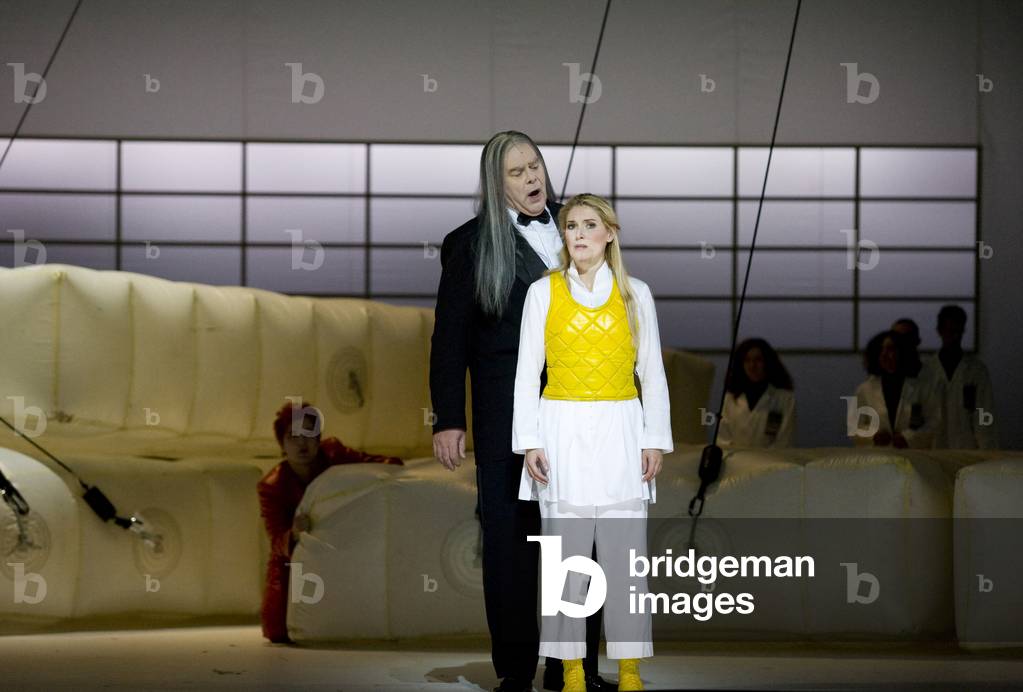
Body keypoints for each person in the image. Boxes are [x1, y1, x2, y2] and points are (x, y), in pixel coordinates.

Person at [430, 131, 613, 692]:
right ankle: (514, 670)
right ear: (496, 183)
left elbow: (616, 317)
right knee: (509, 546)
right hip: (503, 415)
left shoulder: (577, 224)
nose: (532, 178)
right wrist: (448, 418)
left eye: (535, 165)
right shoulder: (466, 244)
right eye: (517, 172)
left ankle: (572, 669)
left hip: (579, 410)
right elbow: (449, 339)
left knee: (578, 541)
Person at [515, 193, 672, 692]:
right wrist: (530, 441)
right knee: (567, 560)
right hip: (560, 427)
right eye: (571, 226)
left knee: (625, 558)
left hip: (622, 428)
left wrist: (654, 440)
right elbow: (526, 375)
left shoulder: (635, 294)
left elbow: (652, 371)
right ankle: (574, 672)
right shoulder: (543, 293)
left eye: (589, 225)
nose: (578, 234)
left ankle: (629, 670)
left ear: (610, 233)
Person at [257, 400, 403, 644]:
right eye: (293, 436)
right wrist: (293, 533)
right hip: (291, 562)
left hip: (341, 550)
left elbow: (382, 465)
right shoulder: (272, 486)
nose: (302, 443)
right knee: (277, 629)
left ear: (318, 438)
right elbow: (275, 541)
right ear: (282, 444)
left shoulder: (334, 453)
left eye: (308, 434)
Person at [918, 305, 998, 449]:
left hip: (967, 447)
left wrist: (987, 448)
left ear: (963, 331)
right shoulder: (926, 370)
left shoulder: (976, 371)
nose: (954, 336)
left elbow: (984, 413)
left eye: (958, 331)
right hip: (932, 448)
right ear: (940, 331)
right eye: (950, 331)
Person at [850, 331, 939, 448]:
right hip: (877, 457)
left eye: (890, 349)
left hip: (913, 456)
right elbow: (855, 426)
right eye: (880, 350)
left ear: (902, 352)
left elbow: (934, 422)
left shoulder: (921, 387)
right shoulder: (865, 389)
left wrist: (908, 438)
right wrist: (873, 436)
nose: (884, 354)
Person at [718, 337, 796, 448]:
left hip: (772, 462)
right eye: (747, 360)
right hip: (736, 462)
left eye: (758, 360)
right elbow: (723, 439)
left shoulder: (784, 399)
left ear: (768, 362)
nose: (752, 366)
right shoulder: (729, 399)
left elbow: (784, 440)